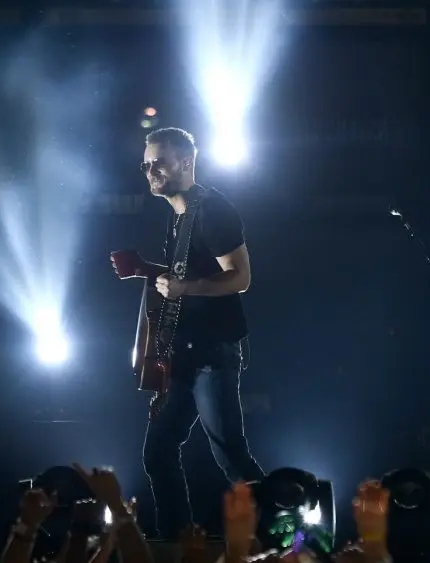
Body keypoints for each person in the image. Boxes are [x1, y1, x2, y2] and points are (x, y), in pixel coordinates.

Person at [110, 127, 264, 539]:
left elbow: (240, 277)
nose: (150, 171)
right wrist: (146, 268)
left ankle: (279, 537)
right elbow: (185, 274)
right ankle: (176, 543)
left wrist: (186, 288)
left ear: (186, 161)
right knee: (158, 451)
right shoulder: (180, 214)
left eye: (158, 162)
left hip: (214, 352)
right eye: (146, 164)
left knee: (230, 455)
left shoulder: (212, 210)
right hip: (186, 353)